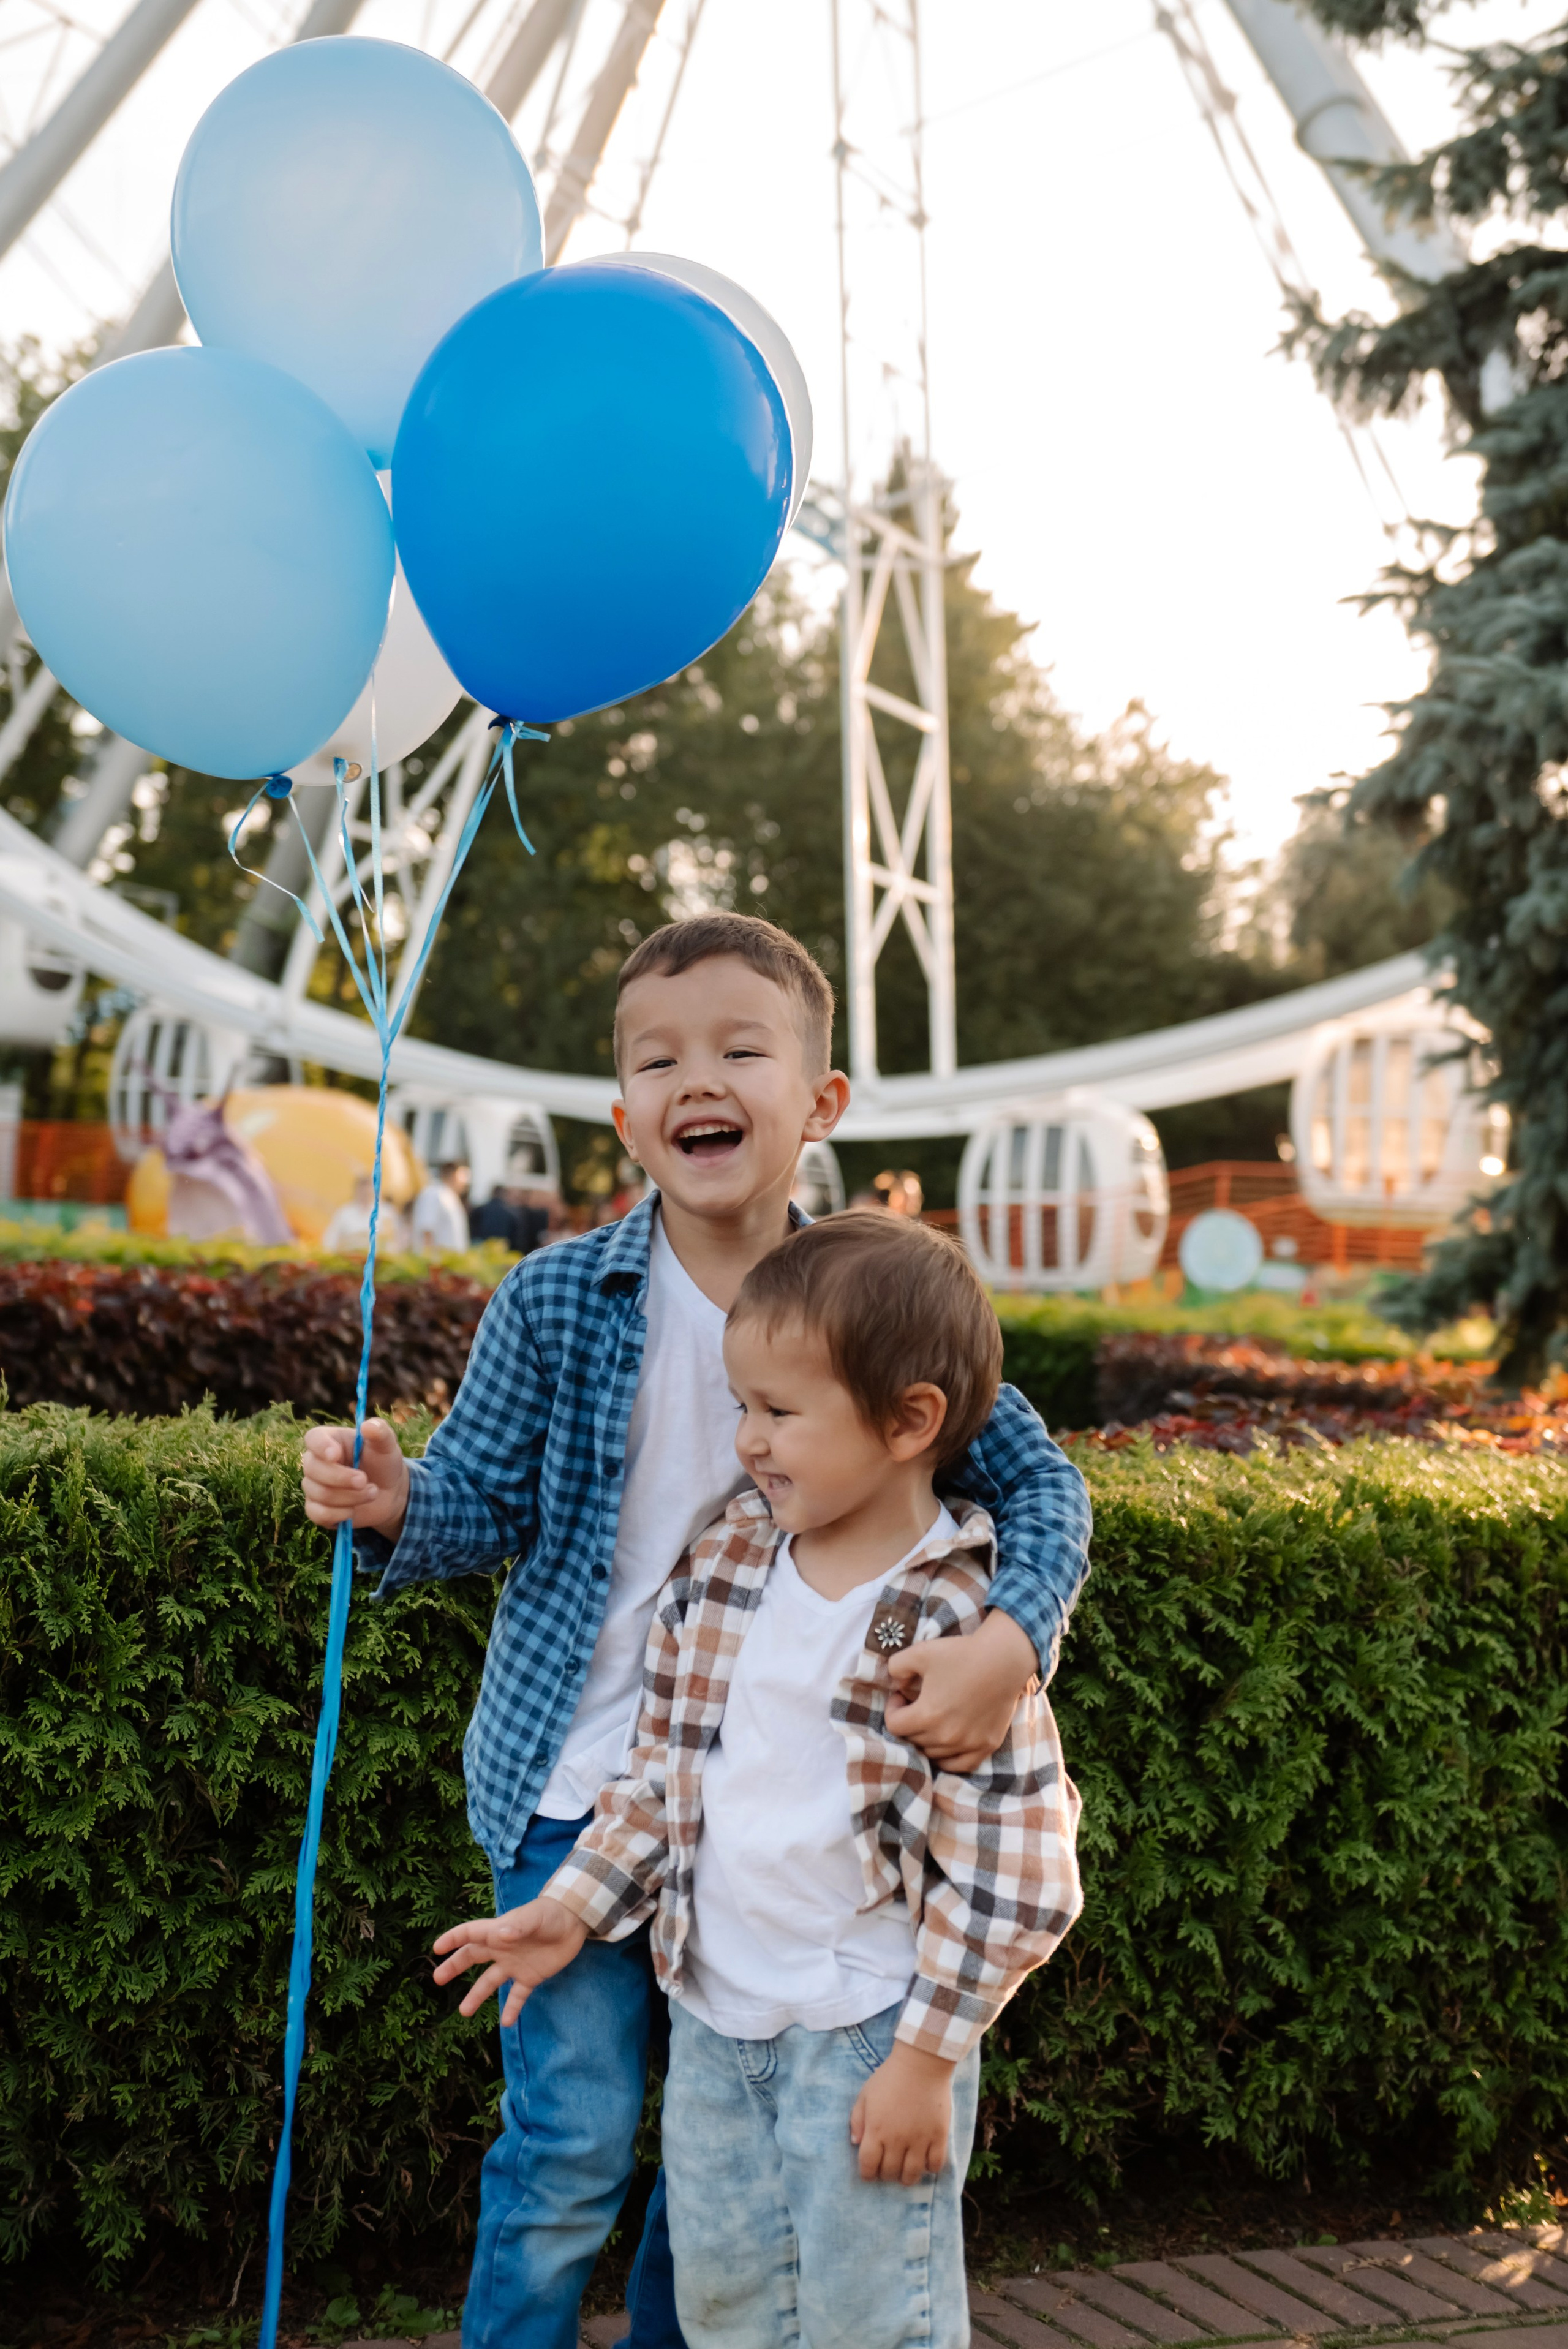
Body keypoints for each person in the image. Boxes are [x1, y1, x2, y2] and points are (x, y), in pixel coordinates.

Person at [299, 911, 1092, 2349]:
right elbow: (474, 1498)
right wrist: (395, 1493)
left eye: (739, 1046)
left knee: (713, 2159)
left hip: (760, 1813)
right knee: (570, 2142)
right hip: (576, 1788)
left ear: (819, 1103)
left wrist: (1009, 1636)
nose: (694, 1078)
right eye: (657, 1057)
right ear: (624, 1114)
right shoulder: (554, 1295)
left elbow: (1034, 1476)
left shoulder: (868, 1301)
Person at [433, 1213, 1084, 2349]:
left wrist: (929, 2058)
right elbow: (664, 1782)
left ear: (910, 1422)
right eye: (742, 1408)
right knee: (728, 2315)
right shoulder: (727, 1567)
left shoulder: (951, 1622)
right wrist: (573, 1912)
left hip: (868, 2035)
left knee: (872, 2321)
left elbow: (1020, 1875)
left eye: (779, 1413)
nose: (748, 1442)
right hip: (715, 2024)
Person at [322, 1171, 407, 1254]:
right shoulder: (344, 1212)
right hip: (350, 1261)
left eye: (369, 1187)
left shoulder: (387, 1212)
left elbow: (397, 1239)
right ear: (357, 1189)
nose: (365, 1192)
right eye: (362, 1188)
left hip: (380, 1261)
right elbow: (330, 1240)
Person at [410, 1159, 470, 1254]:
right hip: (437, 1264)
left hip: (450, 1262)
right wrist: (430, 1261)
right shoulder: (434, 1194)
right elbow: (427, 1229)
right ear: (454, 1175)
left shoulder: (449, 1196)